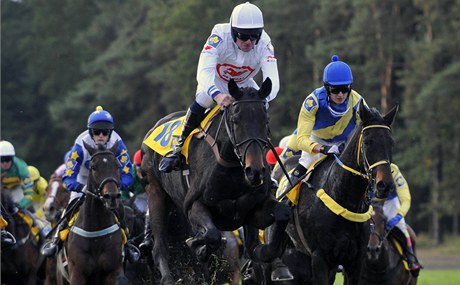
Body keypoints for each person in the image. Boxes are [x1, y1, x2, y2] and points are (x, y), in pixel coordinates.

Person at [159, 1, 280, 173]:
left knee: (259, 109)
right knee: (203, 99)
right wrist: (217, 95)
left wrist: (263, 99)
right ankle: (178, 148)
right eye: (243, 36)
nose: (249, 42)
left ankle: (264, 164)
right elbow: (203, 71)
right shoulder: (219, 36)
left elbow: (273, 80)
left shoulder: (265, 43)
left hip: (244, 84)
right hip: (215, 81)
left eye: (254, 36)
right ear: (233, 31)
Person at [41, 106, 139, 263]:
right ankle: (56, 241)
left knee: (121, 208)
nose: (101, 135)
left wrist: (116, 186)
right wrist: (81, 188)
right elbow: (68, 177)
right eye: (96, 132)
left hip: (107, 182)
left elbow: (128, 174)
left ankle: (128, 245)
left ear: (111, 132)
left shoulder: (118, 144)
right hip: (83, 181)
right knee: (70, 206)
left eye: (105, 132)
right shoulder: (80, 145)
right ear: (90, 132)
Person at [290, 55, 368, 185]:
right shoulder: (312, 102)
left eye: (344, 89)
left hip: (346, 141)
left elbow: (366, 130)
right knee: (299, 172)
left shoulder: (358, 102)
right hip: (317, 141)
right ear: (326, 87)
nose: (340, 95)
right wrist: (323, 148)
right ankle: (287, 201)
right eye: (335, 90)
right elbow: (301, 140)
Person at [379, 163, 421, 271]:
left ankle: (411, 258)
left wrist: (398, 216)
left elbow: (406, 199)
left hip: (391, 205)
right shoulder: (364, 167)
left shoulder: (393, 169)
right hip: (371, 205)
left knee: (402, 229)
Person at [1, 140, 34, 248]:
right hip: (2, 189)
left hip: (16, 190)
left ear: (13, 158)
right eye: (1, 160)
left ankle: (37, 236)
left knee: (21, 213)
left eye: (8, 159)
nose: (5, 163)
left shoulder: (21, 166)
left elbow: (29, 192)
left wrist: (20, 204)